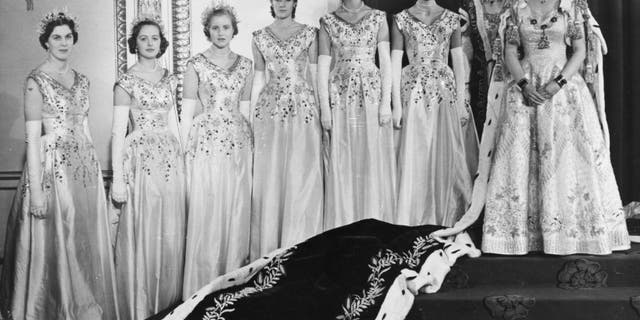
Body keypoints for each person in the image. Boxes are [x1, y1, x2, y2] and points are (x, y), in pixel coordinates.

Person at [432, 0, 631, 255]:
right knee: (519, 159)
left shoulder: (570, 7)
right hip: (525, 87)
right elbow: (510, 53)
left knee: (567, 160)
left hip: (563, 88)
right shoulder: (516, 8)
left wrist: (556, 84)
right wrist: (524, 85)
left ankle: (570, 233)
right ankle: (521, 235)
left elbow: (580, 51)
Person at [0, 10, 118, 319]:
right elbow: (32, 139)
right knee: (57, 238)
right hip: (52, 169)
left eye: (68, 36)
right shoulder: (35, 81)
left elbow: (86, 128)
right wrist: (36, 192)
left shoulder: (83, 80)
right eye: (57, 37)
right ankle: (56, 307)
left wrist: (94, 170)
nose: (63, 42)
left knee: (81, 238)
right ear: (46, 42)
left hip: (83, 170)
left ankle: (83, 308)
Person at [110, 16, 186, 319]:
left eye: (155, 38)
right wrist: (117, 178)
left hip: (169, 159)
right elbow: (118, 132)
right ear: (135, 44)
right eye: (144, 38)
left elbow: (175, 124)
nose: (150, 43)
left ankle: (168, 303)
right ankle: (141, 306)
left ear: (162, 43)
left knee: (169, 229)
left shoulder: (170, 79)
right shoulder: (125, 81)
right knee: (145, 228)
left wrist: (183, 160)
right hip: (139, 161)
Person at [180, 4, 254, 298]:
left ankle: (232, 285)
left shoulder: (246, 65)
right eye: (215, 28)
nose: (221, 32)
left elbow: (246, 110)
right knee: (209, 209)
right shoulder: (194, 64)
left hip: (238, 143)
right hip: (207, 143)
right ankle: (203, 287)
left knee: (236, 208)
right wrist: (184, 152)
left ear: (233, 29)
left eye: (225, 27)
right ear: (207, 31)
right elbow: (186, 115)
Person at [250, 0, 324, 259]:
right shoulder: (259, 37)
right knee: (273, 175)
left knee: (301, 173)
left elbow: (314, 75)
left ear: (294, 2)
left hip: (303, 108)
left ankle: (302, 245)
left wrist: (322, 111)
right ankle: (272, 247)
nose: (281, 3)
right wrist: (252, 120)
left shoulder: (310, 33)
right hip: (269, 113)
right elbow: (259, 79)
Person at [391, 0, 474, 227]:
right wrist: (396, 104)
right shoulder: (401, 18)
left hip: (443, 91)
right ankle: (412, 215)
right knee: (415, 149)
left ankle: (443, 214)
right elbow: (395, 61)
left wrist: (459, 101)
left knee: (444, 150)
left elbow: (458, 61)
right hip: (413, 91)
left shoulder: (451, 18)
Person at [318, 0, 396, 229]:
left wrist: (385, 103)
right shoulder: (327, 21)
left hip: (370, 94)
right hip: (339, 96)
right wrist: (325, 108)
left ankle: (372, 219)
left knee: (370, 154)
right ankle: (345, 222)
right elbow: (323, 67)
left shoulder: (378, 17)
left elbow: (385, 63)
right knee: (343, 154)